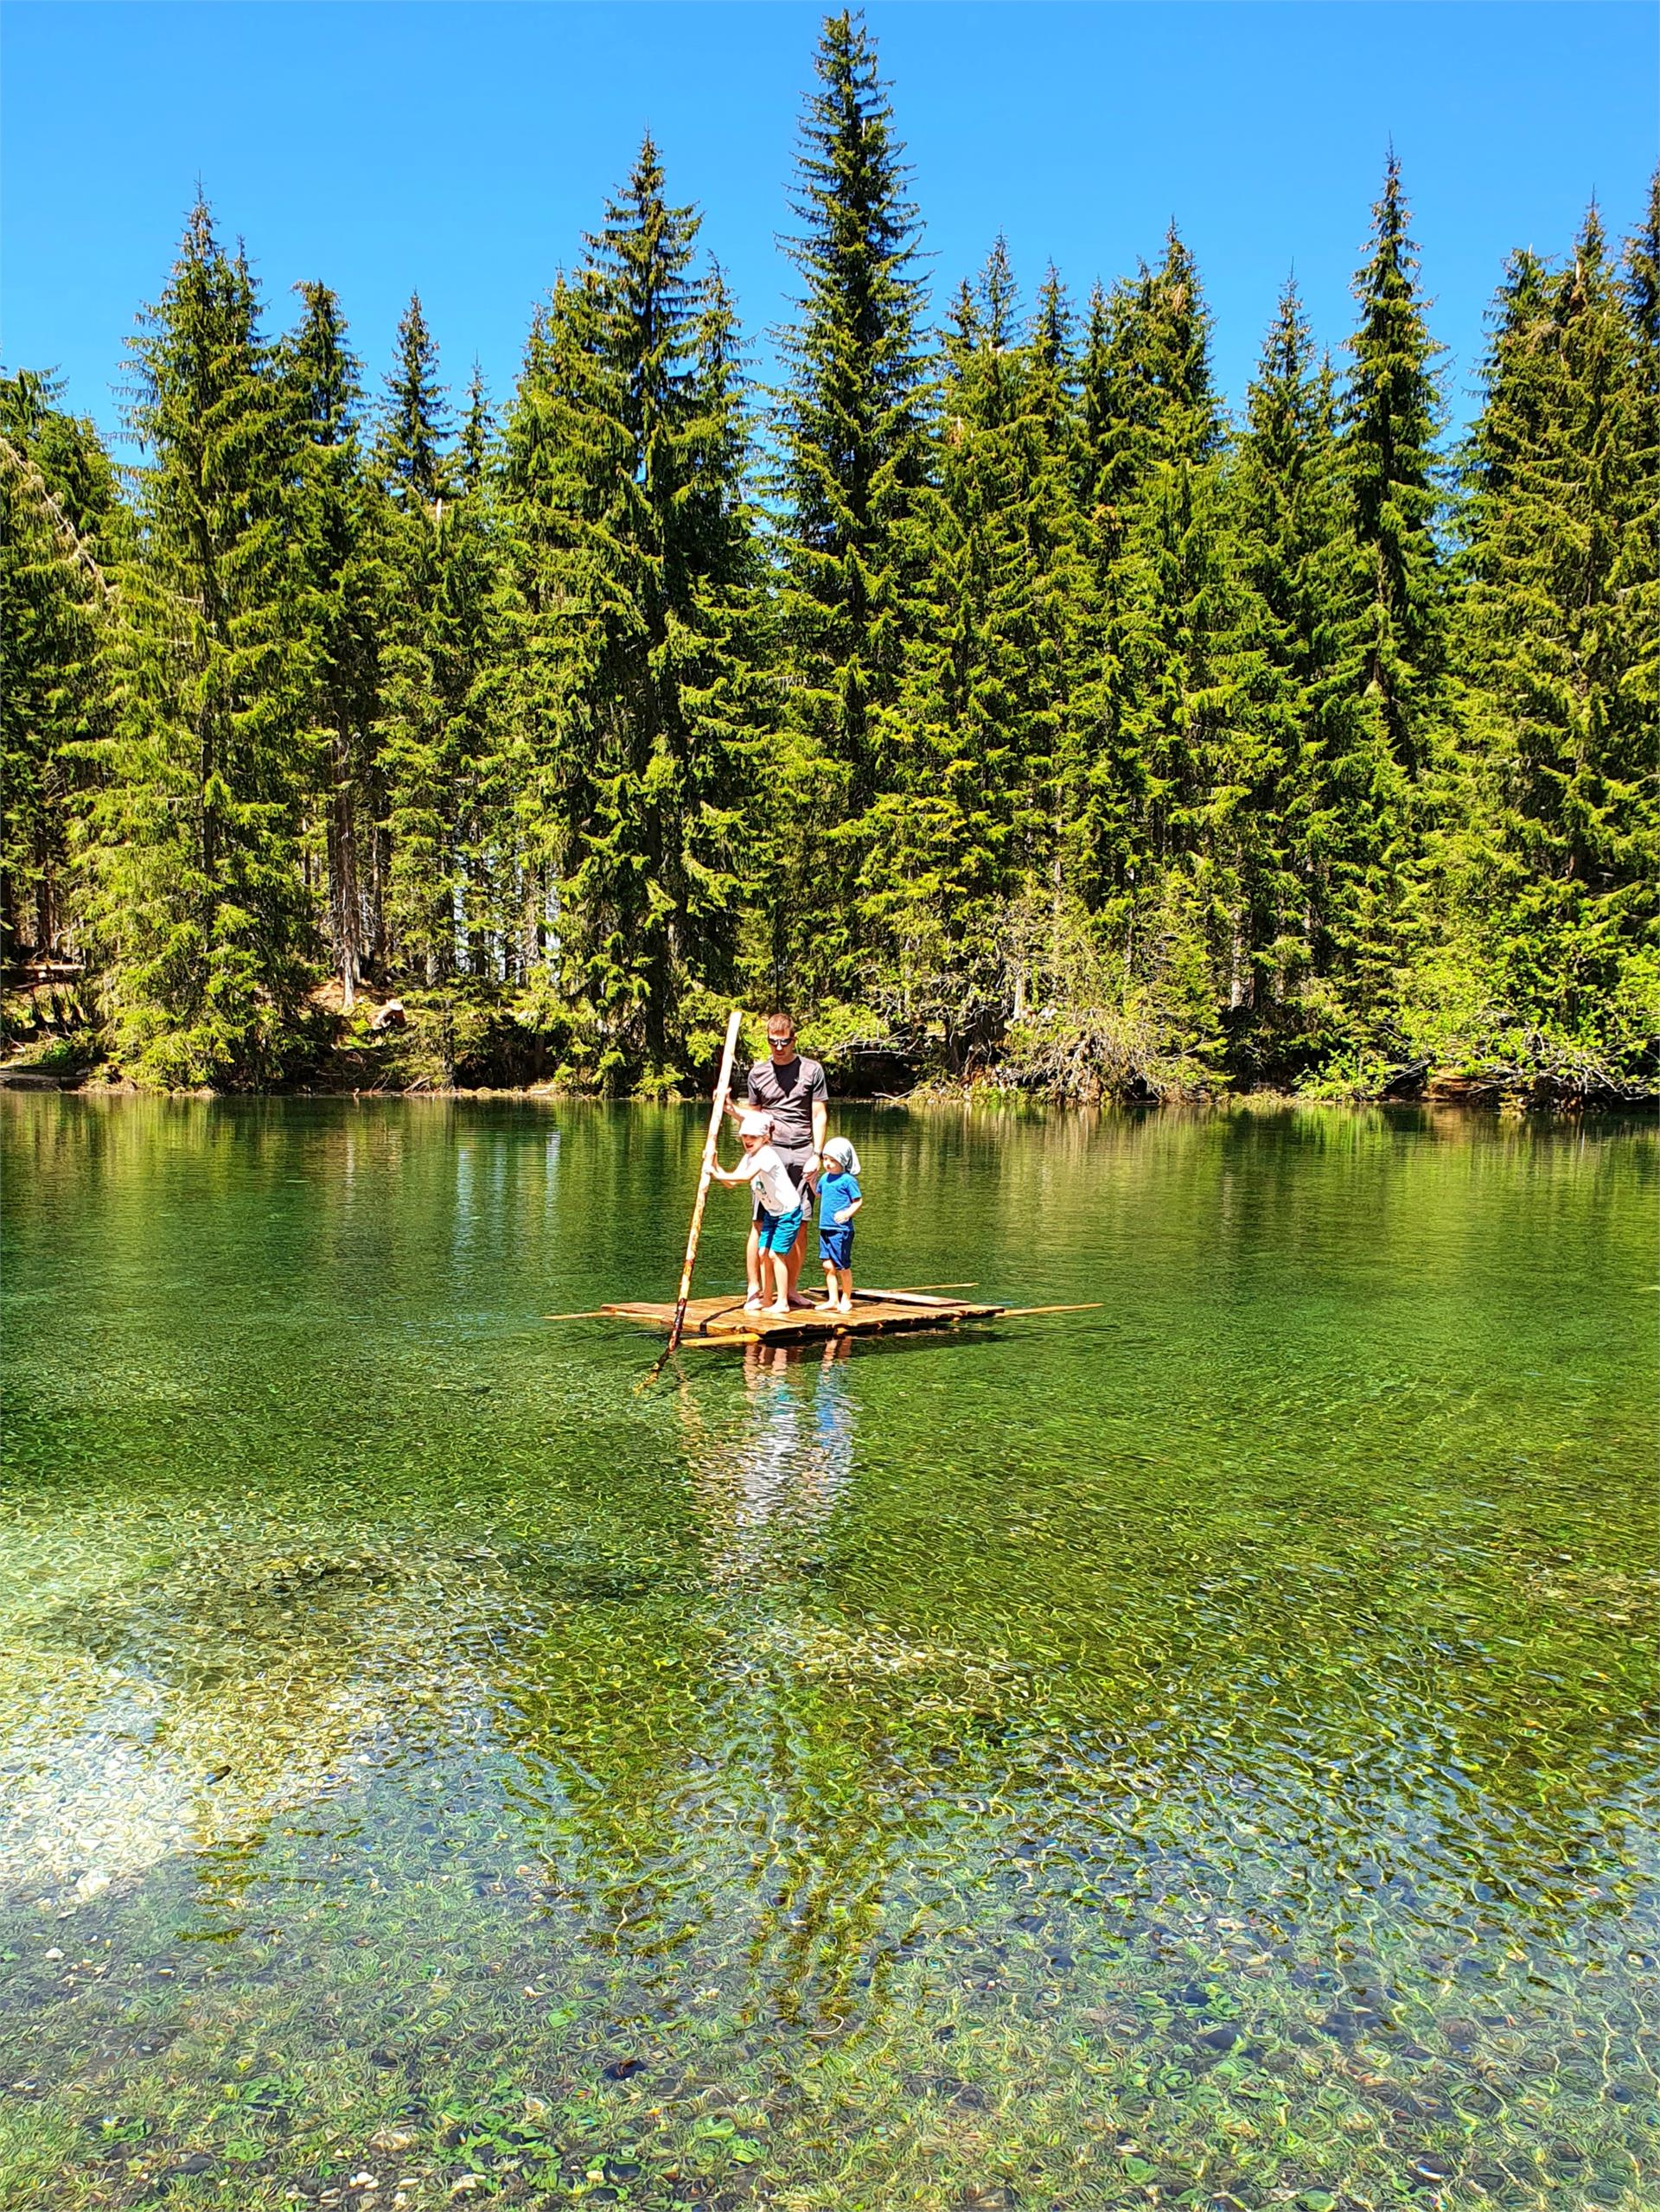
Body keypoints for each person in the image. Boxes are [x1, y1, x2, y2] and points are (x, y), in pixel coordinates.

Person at [727, 1011, 828, 1309]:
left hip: (802, 1153)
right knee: (760, 1222)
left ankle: (791, 1290)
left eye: (784, 1042)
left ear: (793, 1039)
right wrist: (733, 1111)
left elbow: (819, 1114)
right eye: (773, 1042)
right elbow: (754, 1117)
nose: (779, 1047)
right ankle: (755, 1290)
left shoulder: (812, 1071)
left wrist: (817, 1154)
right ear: (768, 1041)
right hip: (768, 1153)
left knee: (799, 1222)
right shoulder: (758, 1073)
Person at [710, 1110, 802, 1316]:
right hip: (773, 1212)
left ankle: (783, 1302)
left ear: (765, 1138)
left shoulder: (766, 1155)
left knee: (774, 1254)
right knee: (762, 1254)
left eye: (753, 1137)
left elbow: (745, 1178)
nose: (748, 1141)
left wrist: (715, 1174)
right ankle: (767, 1297)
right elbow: (732, 1182)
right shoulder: (749, 1157)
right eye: (744, 1136)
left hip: (788, 1211)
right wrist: (714, 1165)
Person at [817, 1136, 863, 1312]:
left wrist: (846, 1213)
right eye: (825, 1159)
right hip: (825, 1227)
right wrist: (810, 1181)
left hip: (841, 1229)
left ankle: (846, 1298)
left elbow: (858, 1201)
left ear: (842, 1161)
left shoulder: (848, 1180)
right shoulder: (824, 1178)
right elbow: (819, 1194)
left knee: (842, 1265)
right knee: (827, 1265)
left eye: (832, 1160)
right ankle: (833, 1299)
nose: (827, 1163)